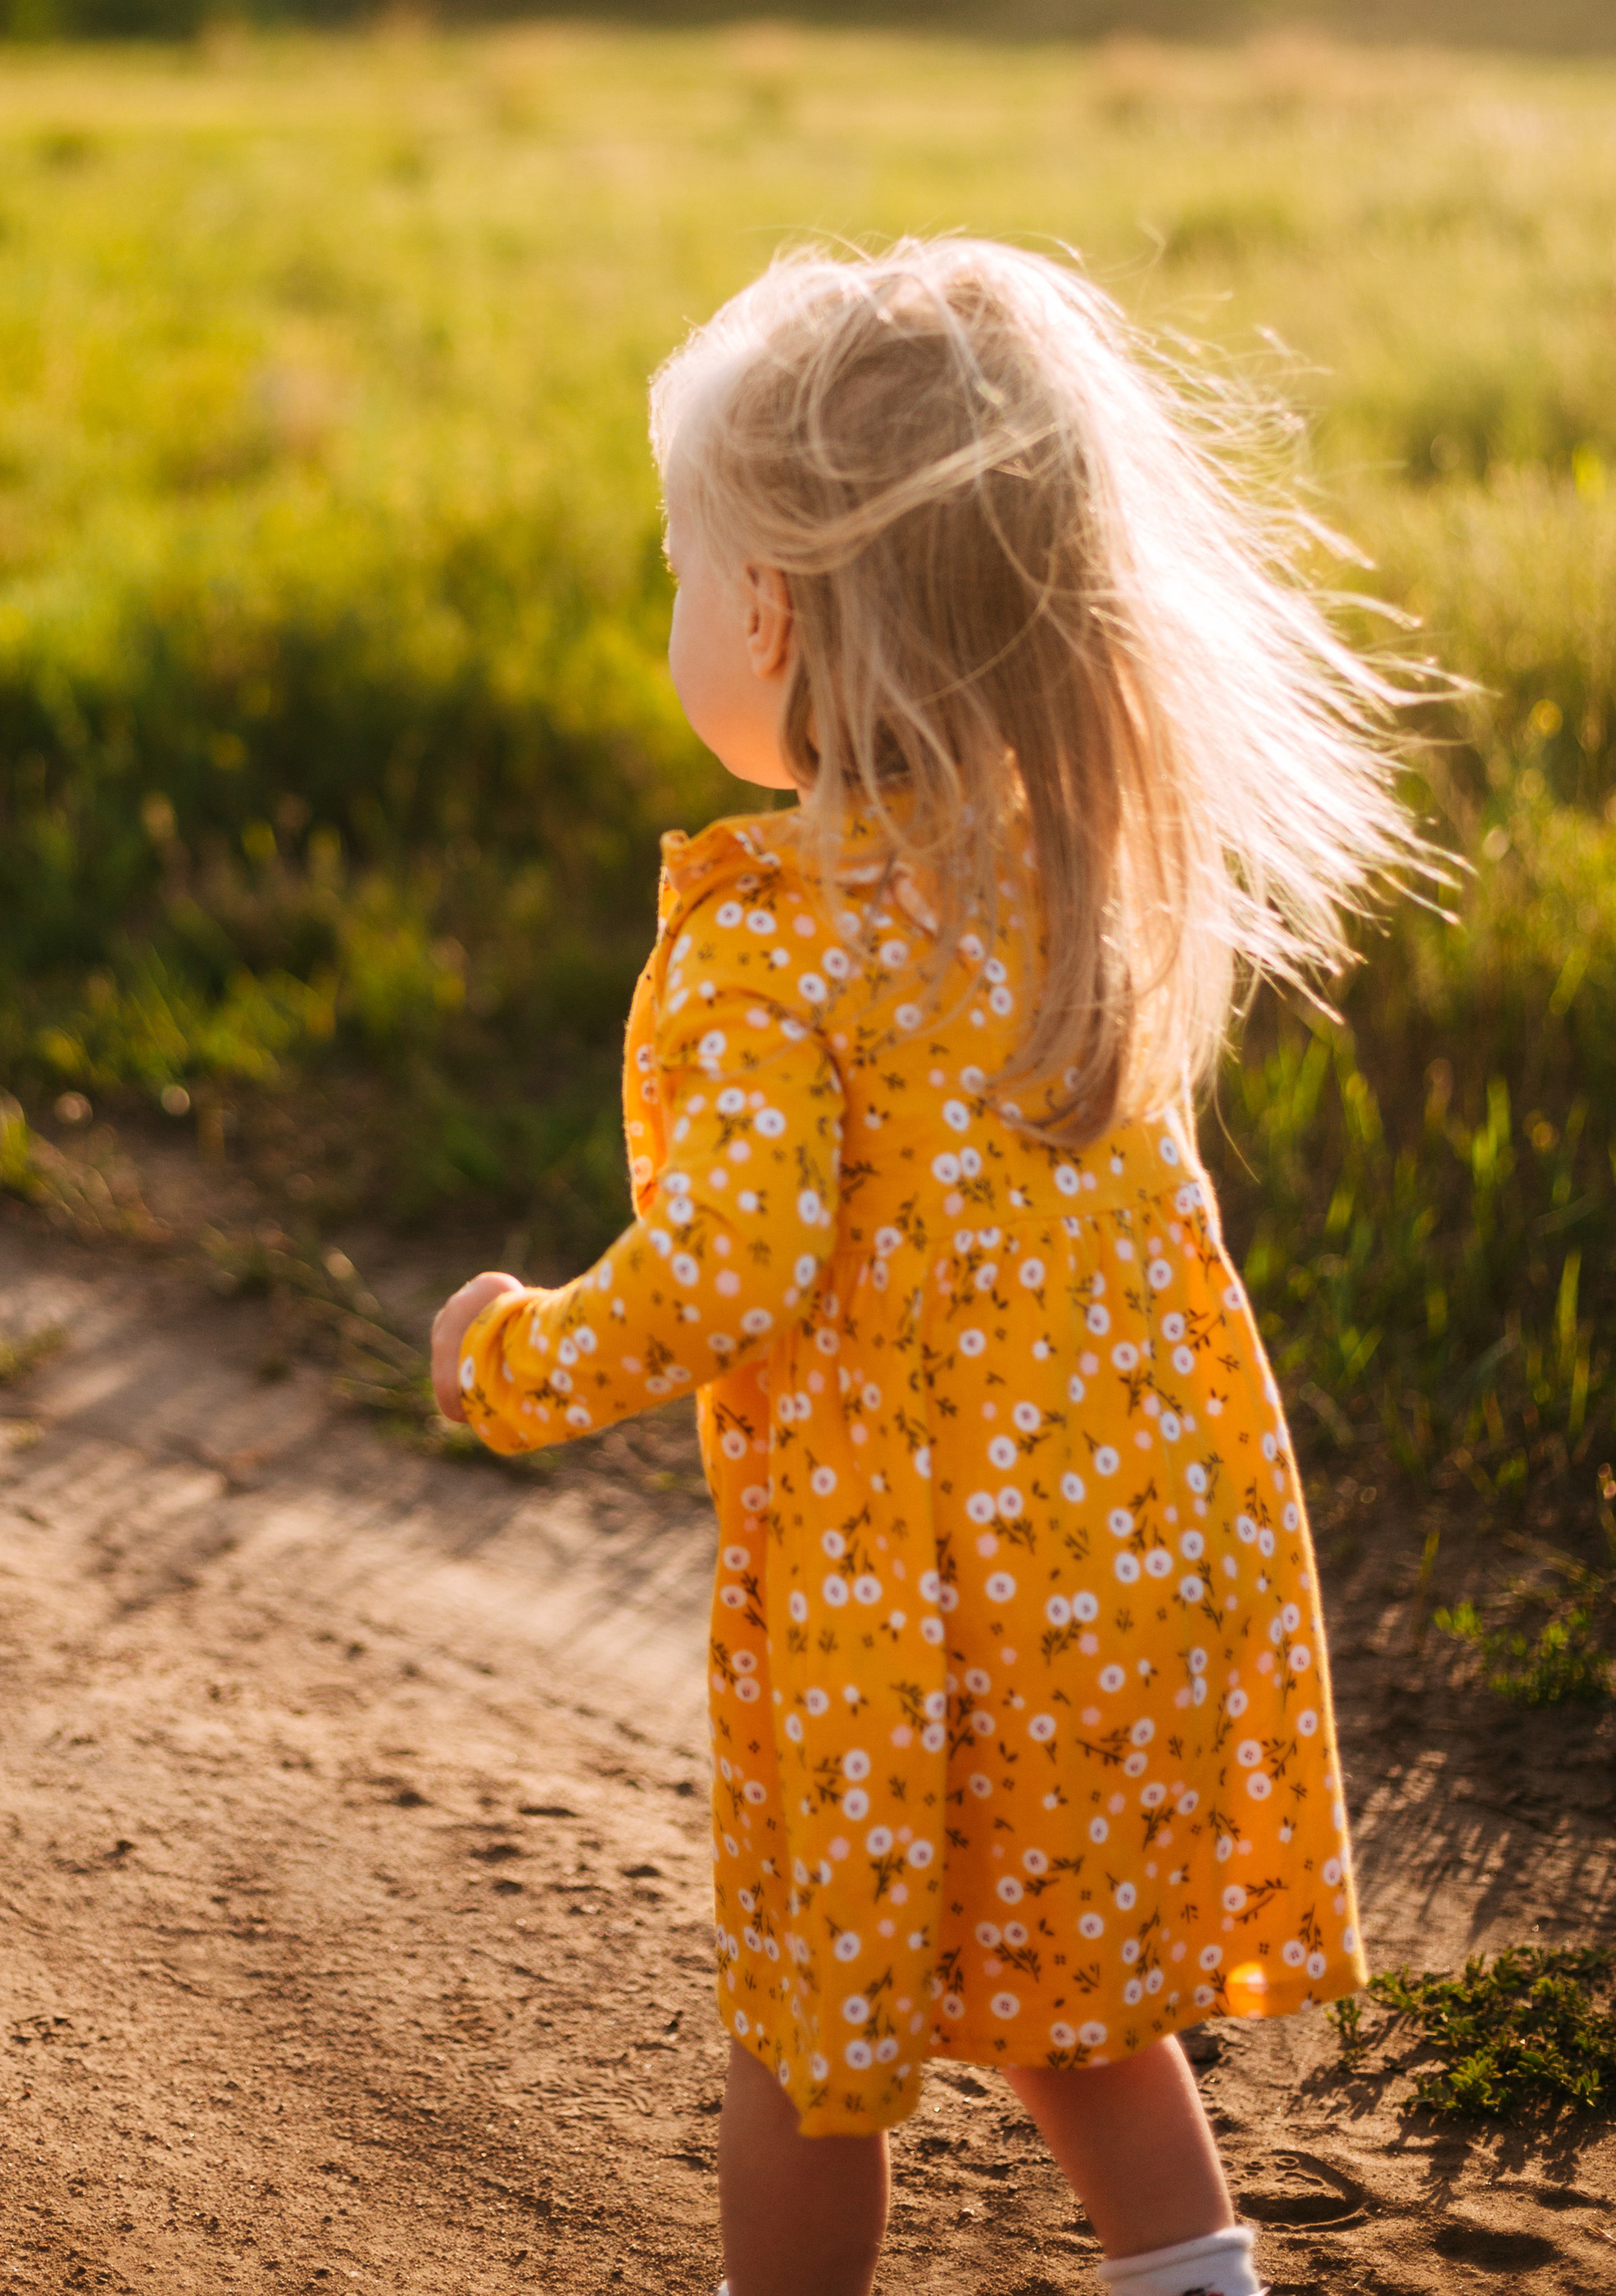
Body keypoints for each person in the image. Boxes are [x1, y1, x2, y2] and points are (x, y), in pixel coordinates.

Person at [430, 242, 1417, 2296]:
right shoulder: (1064, 865)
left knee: (808, 2048)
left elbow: (725, 1268)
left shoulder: (769, 935)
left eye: (683, 572)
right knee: (1082, 2010)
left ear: (772, 615)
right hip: (1127, 1565)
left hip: (895, 1618)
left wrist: (514, 1358)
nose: (678, 615)